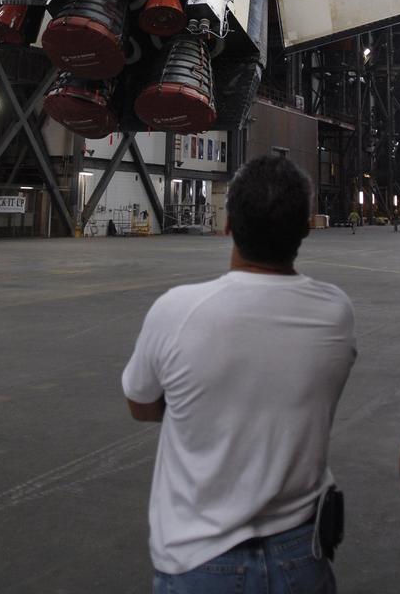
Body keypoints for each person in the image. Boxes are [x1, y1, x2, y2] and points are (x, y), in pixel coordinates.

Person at [122, 155, 357, 592]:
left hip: (198, 559)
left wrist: (198, 404)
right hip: (302, 558)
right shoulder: (335, 312)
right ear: (307, 226)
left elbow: (141, 404)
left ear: (227, 225)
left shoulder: (175, 310)